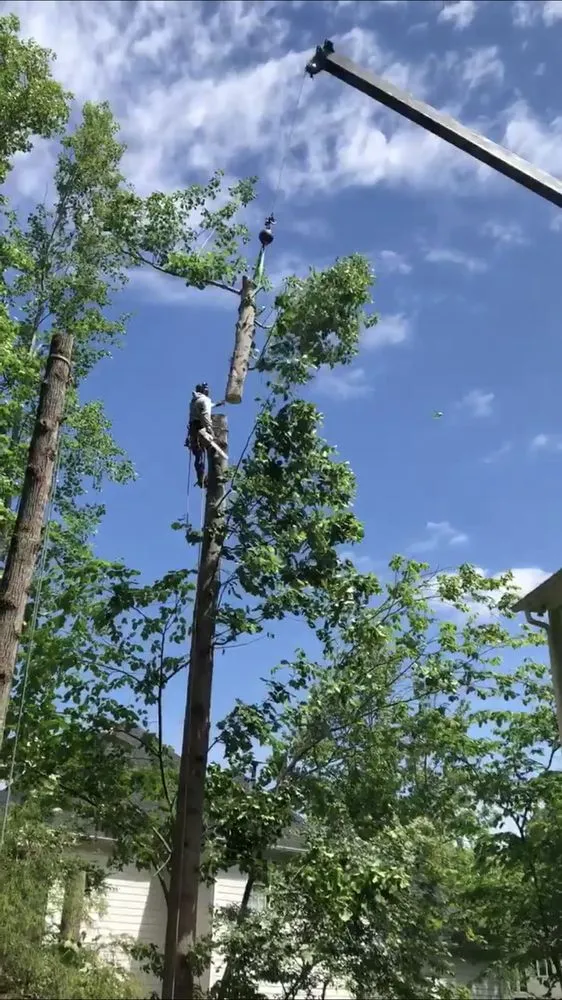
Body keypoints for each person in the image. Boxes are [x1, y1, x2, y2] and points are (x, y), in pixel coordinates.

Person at [185, 383, 224, 488]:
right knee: (213, 448)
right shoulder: (205, 400)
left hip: (193, 431)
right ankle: (218, 474)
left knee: (199, 455)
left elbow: (204, 407)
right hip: (201, 429)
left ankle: (201, 478)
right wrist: (210, 430)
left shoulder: (194, 401)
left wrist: (217, 404)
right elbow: (205, 415)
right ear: (205, 391)